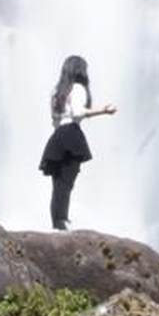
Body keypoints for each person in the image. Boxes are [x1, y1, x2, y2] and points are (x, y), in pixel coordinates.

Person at [38, 54, 116, 230]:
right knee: (66, 182)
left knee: (57, 184)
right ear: (80, 71)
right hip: (71, 135)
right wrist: (104, 111)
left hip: (57, 137)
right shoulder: (78, 88)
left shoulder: (57, 93)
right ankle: (62, 223)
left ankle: (57, 222)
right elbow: (78, 113)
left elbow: (55, 119)